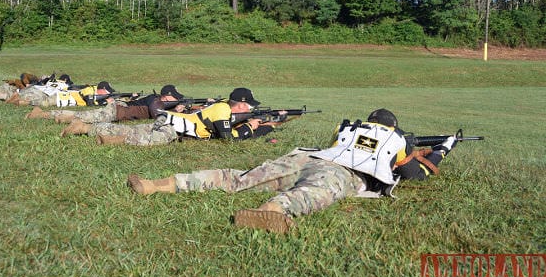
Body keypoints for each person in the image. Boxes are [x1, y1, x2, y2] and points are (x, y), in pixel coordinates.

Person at [126, 108, 459, 234]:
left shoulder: (350, 127)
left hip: (307, 158)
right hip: (341, 173)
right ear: (394, 126)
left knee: (240, 177)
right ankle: (271, 211)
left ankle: (157, 185)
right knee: (312, 194)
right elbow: (414, 173)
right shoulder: (396, 138)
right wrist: (442, 149)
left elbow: (338, 145)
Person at [60, 87, 287, 146]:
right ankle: (102, 135)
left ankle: (85, 128)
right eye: (248, 107)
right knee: (144, 140)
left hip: (171, 123)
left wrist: (262, 125)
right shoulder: (222, 110)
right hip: (174, 128)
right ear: (241, 105)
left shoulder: (223, 109)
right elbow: (228, 140)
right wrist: (253, 127)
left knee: (134, 131)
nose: (249, 111)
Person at [26, 84, 194, 124]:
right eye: (175, 98)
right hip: (115, 111)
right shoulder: (155, 101)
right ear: (166, 97)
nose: (176, 100)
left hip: (118, 111)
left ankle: (43, 113)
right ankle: (41, 114)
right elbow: (159, 115)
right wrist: (179, 111)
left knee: (83, 116)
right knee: (81, 116)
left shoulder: (159, 101)